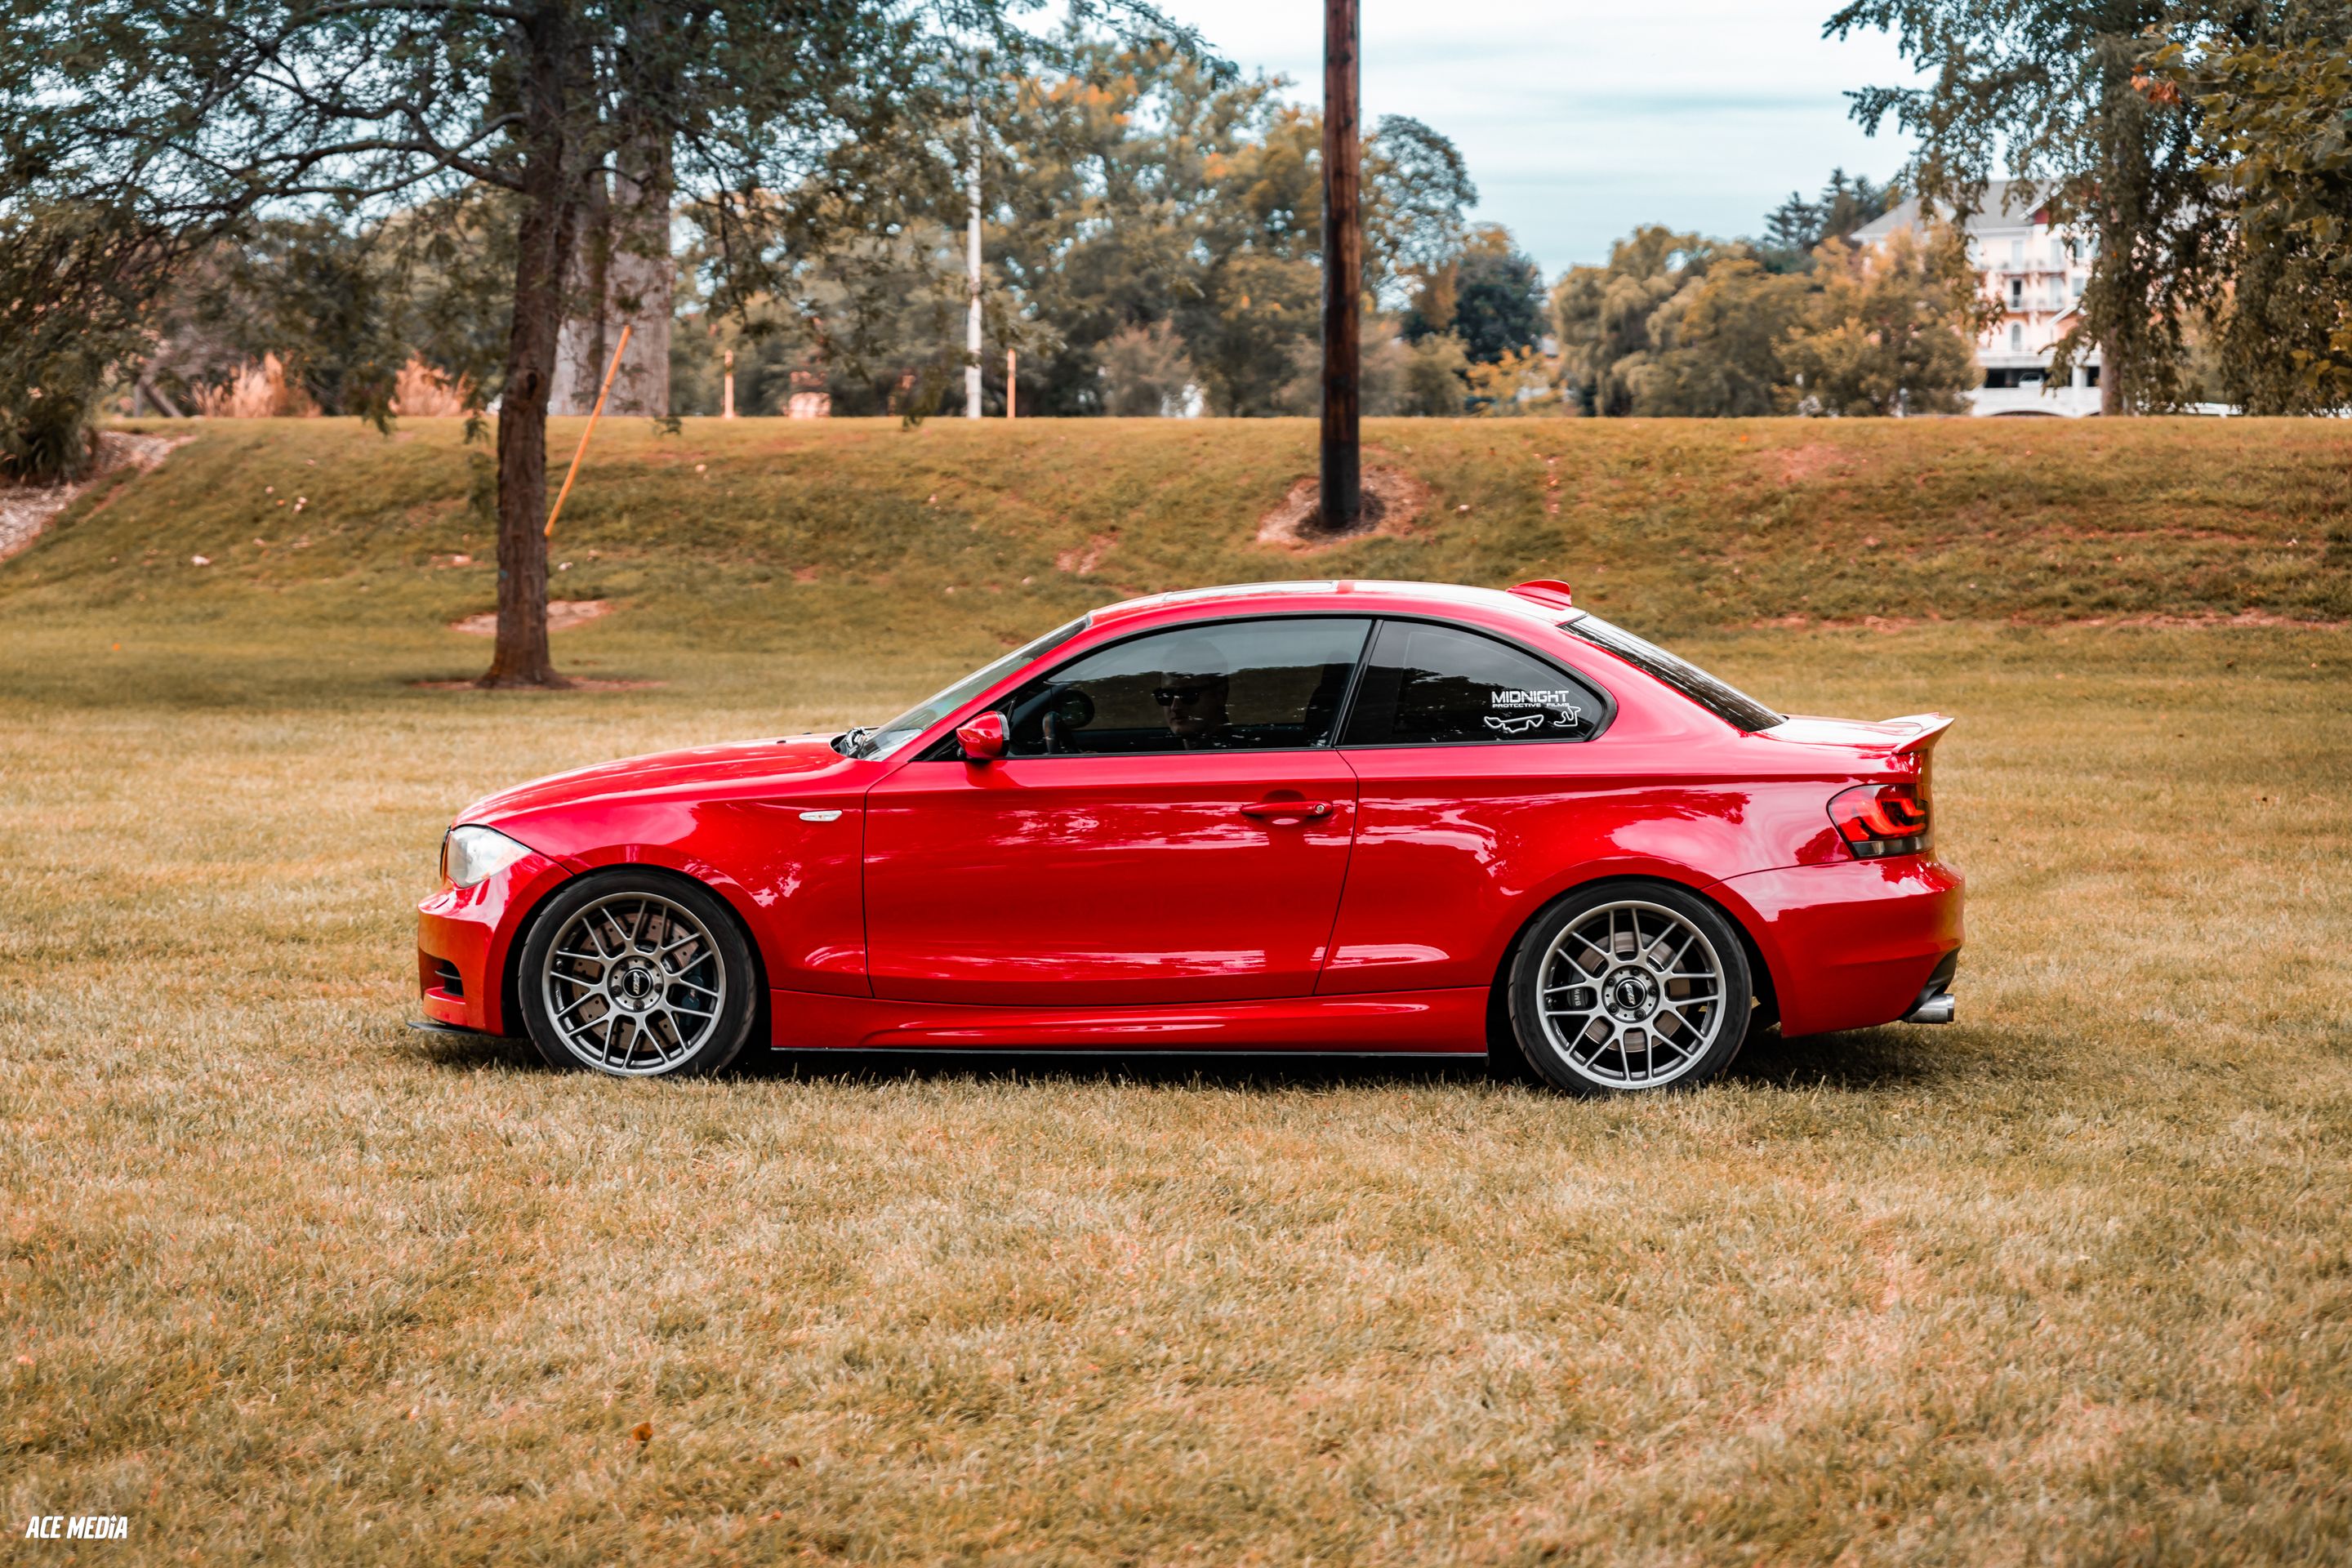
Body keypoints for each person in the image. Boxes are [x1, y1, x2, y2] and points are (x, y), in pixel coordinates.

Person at [1153, 657, 1232, 747]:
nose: (1175, 707)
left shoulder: (1237, 753)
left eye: (1189, 694)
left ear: (1220, 695)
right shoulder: (1160, 751)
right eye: (1166, 695)